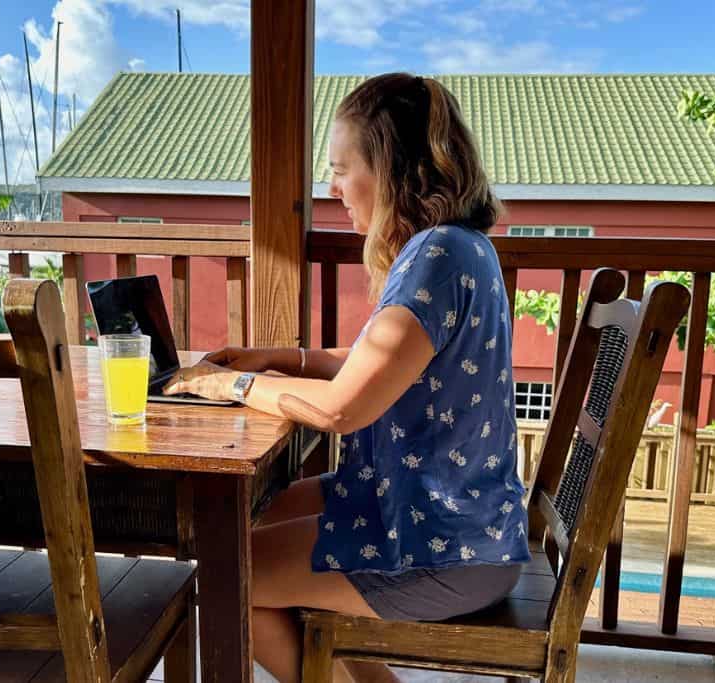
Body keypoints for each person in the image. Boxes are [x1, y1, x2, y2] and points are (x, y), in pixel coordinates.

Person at [163, 72, 530, 683]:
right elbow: (371, 365)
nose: (333, 187)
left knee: (227, 576)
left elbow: (342, 409)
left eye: (341, 167)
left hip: (442, 543)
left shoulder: (437, 257)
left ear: (391, 170)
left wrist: (229, 386)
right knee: (256, 520)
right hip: (452, 518)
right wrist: (273, 356)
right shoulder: (457, 246)